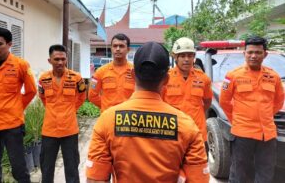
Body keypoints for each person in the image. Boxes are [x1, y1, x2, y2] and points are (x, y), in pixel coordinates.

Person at [86, 42, 209, 183]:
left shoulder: (107, 121)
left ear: (133, 75)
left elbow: (96, 179)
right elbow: (198, 179)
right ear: (166, 79)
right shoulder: (188, 127)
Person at [220, 36, 284, 183]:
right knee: (239, 173)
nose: (253, 56)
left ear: (265, 54)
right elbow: (224, 102)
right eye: (250, 52)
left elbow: (278, 102)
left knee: (266, 173)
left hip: (267, 134)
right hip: (242, 133)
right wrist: (237, 121)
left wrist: (266, 116)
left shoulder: (273, 76)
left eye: (257, 52)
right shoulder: (233, 76)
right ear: (244, 54)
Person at [0, 27, 37, 183]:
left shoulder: (21, 65)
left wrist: (16, 107)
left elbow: (31, 91)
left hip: (12, 124)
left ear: (9, 44)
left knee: (18, 167)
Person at [38, 44, 86, 183]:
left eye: (63, 59)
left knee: (71, 167)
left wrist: (70, 110)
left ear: (67, 59)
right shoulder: (43, 79)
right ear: (49, 60)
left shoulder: (76, 78)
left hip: (69, 130)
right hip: (49, 130)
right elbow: (42, 97)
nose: (60, 62)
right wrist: (54, 110)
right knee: (46, 168)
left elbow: (82, 97)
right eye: (56, 59)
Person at [162, 37, 212, 145]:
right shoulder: (165, 78)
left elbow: (207, 102)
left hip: (197, 133)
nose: (186, 59)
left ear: (194, 56)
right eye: (182, 55)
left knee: (199, 162)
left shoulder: (203, 78)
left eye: (190, 55)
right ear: (175, 56)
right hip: (173, 134)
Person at [88, 33, 135, 112]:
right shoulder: (100, 72)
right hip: (108, 118)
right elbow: (92, 95)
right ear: (111, 48)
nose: (117, 49)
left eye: (121, 46)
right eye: (115, 46)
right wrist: (105, 107)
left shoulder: (135, 72)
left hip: (128, 119)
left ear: (128, 49)